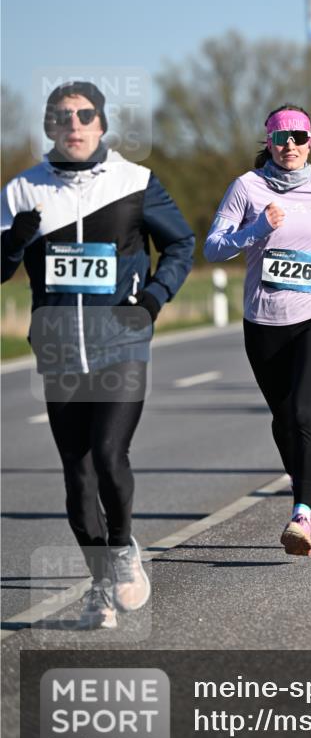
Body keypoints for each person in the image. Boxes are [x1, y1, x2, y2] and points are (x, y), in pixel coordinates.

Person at [1, 81, 195, 628]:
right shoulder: (21, 191)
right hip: (59, 348)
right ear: (48, 127)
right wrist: (14, 241)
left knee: (109, 454)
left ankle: (124, 547)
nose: (75, 124)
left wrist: (154, 299)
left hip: (122, 342)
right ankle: (101, 585)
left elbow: (181, 242)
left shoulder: (136, 182)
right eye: (63, 116)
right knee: (77, 474)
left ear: (103, 124)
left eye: (86, 115)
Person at [204, 103, 311, 557]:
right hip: (264, 320)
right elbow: (214, 248)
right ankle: (308, 490)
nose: (289, 145)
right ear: (268, 142)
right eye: (280, 138)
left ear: (310, 142)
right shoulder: (247, 188)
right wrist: (254, 228)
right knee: (282, 418)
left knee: (303, 412)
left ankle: (300, 516)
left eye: (298, 137)